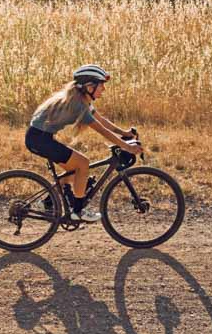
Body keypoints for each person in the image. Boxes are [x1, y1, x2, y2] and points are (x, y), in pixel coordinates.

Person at [25, 64, 142, 222]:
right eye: (101, 85)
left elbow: (102, 121)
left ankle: (47, 202)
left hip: (41, 138)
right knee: (83, 164)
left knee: (77, 173)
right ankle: (78, 212)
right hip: (39, 139)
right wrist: (127, 146)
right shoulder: (78, 105)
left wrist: (124, 133)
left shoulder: (81, 100)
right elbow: (102, 130)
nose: (103, 89)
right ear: (89, 86)